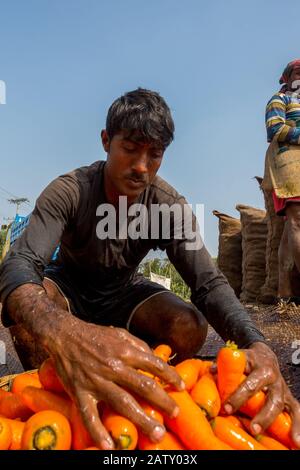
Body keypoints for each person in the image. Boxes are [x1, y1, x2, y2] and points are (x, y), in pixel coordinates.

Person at [1, 88, 300, 450]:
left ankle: (135, 378)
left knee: (189, 326)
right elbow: (20, 265)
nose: (142, 165)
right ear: (106, 141)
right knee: (26, 307)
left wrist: (259, 345)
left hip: (124, 292)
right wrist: (66, 334)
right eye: (130, 148)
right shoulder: (70, 191)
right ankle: (57, 389)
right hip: (68, 288)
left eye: (154, 154)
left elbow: (209, 284)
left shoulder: (168, 206)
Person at [266, 59, 300, 300]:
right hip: (287, 163)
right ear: (287, 77)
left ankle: (285, 293)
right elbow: (275, 130)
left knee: (292, 226)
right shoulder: (280, 100)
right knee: (298, 220)